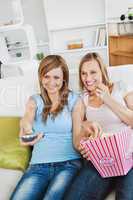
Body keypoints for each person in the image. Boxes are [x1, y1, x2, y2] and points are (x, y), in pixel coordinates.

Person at [10, 55, 82, 200]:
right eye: (46, 76)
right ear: (41, 78)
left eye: (56, 77)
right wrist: (26, 127)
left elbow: (78, 134)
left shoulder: (75, 100)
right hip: (38, 167)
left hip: (68, 164)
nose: (51, 82)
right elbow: (27, 120)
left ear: (64, 79)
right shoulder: (34, 100)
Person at [65, 52, 133, 200]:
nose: (88, 78)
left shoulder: (121, 86)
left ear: (102, 71)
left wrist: (107, 99)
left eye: (93, 72)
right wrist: (85, 128)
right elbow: (76, 141)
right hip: (101, 159)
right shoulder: (81, 100)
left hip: (129, 155)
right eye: (83, 73)